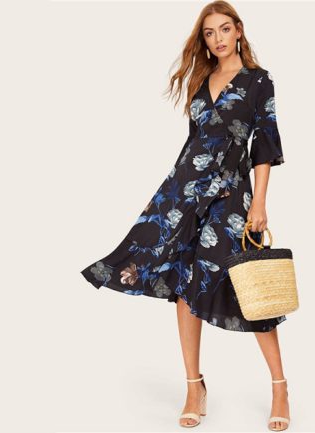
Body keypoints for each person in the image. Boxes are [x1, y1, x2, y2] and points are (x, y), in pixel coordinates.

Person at [80, 1, 290, 430]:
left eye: (224, 29)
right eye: (209, 33)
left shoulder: (258, 81)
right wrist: (171, 193)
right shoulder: (201, 80)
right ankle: (194, 386)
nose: (217, 38)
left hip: (231, 193)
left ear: (238, 31)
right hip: (185, 190)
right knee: (182, 282)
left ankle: (280, 386)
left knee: (247, 284)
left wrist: (259, 203)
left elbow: (264, 144)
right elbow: (194, 143)